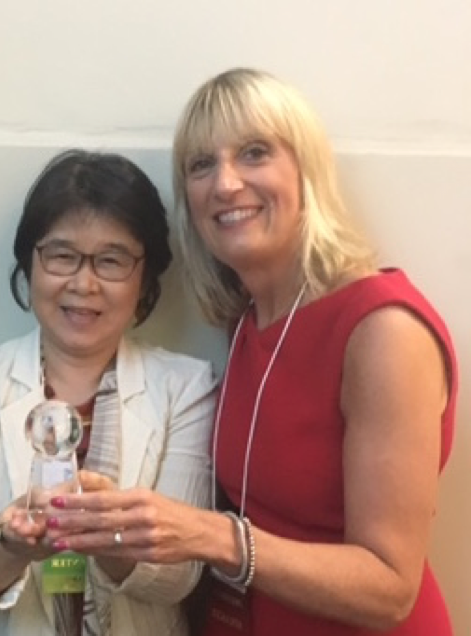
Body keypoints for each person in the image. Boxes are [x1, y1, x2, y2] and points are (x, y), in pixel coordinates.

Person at [44, 68, 459, 635]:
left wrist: (210, 535)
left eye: (255, 153)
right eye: (201, 165)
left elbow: (390, 586)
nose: (226, 184)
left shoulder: (383, 329)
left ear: (305, 171)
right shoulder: (246, 319)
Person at [0, 149, 218, 635]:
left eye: (111, 260)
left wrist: (105, 531)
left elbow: (179, 578)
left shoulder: (186, 389)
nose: (84, 283)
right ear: (30, 263)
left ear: (145, 277)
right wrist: (9, 543)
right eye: (62, 255)